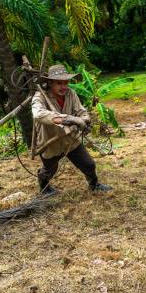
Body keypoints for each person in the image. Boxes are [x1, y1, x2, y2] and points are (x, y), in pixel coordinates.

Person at [31, 64, 113, 195]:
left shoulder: (71, 93)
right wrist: (67, 119)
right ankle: (44, 189)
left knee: (88, 165)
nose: (64, 87)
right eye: (59, 83)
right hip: (50, 141)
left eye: (66, 83)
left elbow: (81, 111)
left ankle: (94, 185)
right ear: (50, 82)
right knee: (49, 170)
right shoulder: (39, 97)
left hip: (71, 139)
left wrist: (84, 120)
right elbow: (38, 114)